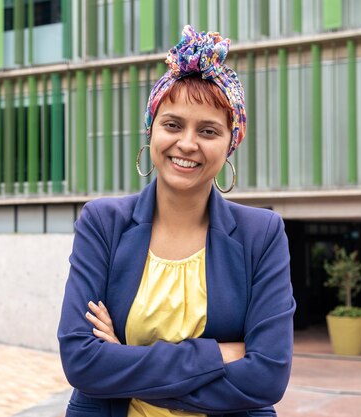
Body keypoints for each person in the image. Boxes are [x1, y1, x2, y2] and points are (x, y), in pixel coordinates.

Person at [57, 25, 296, 417]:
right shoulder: (102, 223)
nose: (187, 143)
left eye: (208, 131)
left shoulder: (262, 235)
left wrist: (124, 360)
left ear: (230, 144)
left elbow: (267, 377)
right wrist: (220, 354)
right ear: (151, 130)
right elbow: (81, 362)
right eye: (172, 125)